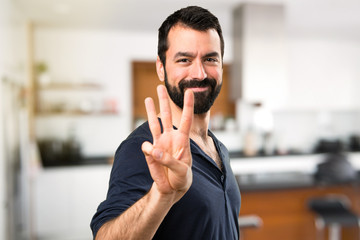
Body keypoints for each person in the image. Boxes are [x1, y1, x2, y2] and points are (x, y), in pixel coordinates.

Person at [90, 6, 241, 240]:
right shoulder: (144, 148)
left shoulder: (218, 147)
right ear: (161, 68)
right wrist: (162, 194)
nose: (199, 73)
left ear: (221, 66)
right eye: (184, 59)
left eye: (210, 58)